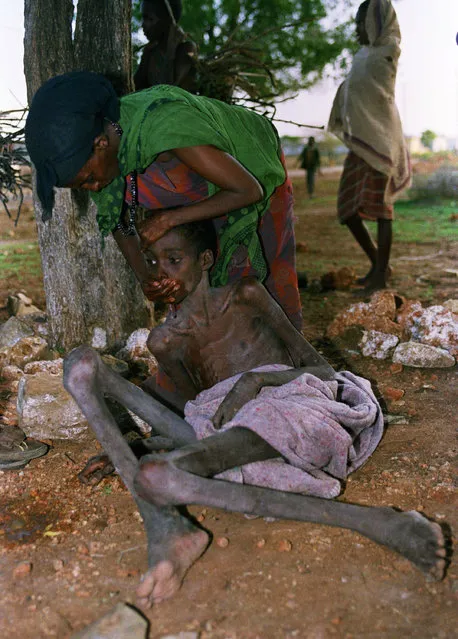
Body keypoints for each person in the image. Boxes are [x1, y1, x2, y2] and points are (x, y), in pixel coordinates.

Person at [64, 221, 446, 608]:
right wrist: (138, 445)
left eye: (173, 259)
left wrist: (255, 382)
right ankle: (164, 514)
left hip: (295, 403)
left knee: (181, 460)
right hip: (229, 425)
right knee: (80, 366)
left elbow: (323, 371)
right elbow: (198, 415)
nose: (159, 272)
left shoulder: (245, 295)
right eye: (151, 262)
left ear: (206, 260)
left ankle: (378, 522)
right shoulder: (164, 341)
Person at [25, 72, 302, 342]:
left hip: (252, 171)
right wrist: (147, 279)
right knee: (191, 278)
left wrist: (169, 220)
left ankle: (293, 368)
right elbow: (120, 223)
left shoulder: (167, 124)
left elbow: (247, 190)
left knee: (267, 280)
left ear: (101, 144)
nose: (94, 188)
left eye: (90, 180)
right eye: (83, 186)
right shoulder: (105, 157)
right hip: (199, 192)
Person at [328, 0, 411, 293]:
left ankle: (379, 275)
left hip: (382, 142)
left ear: (376, 21)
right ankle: (380, 265)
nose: (357, 28)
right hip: (362, 143)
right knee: (347, 209)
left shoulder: (388, 50)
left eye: (362, 21)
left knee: (381, 210)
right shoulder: (362, 55)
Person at [134, 0, 197, 93]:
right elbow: (135, 89)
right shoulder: (150, 53)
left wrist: (171, 50)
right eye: (143, 19)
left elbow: (169, 92)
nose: (143, 25)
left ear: (168, 21)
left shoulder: (186, 49)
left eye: (150, 19)